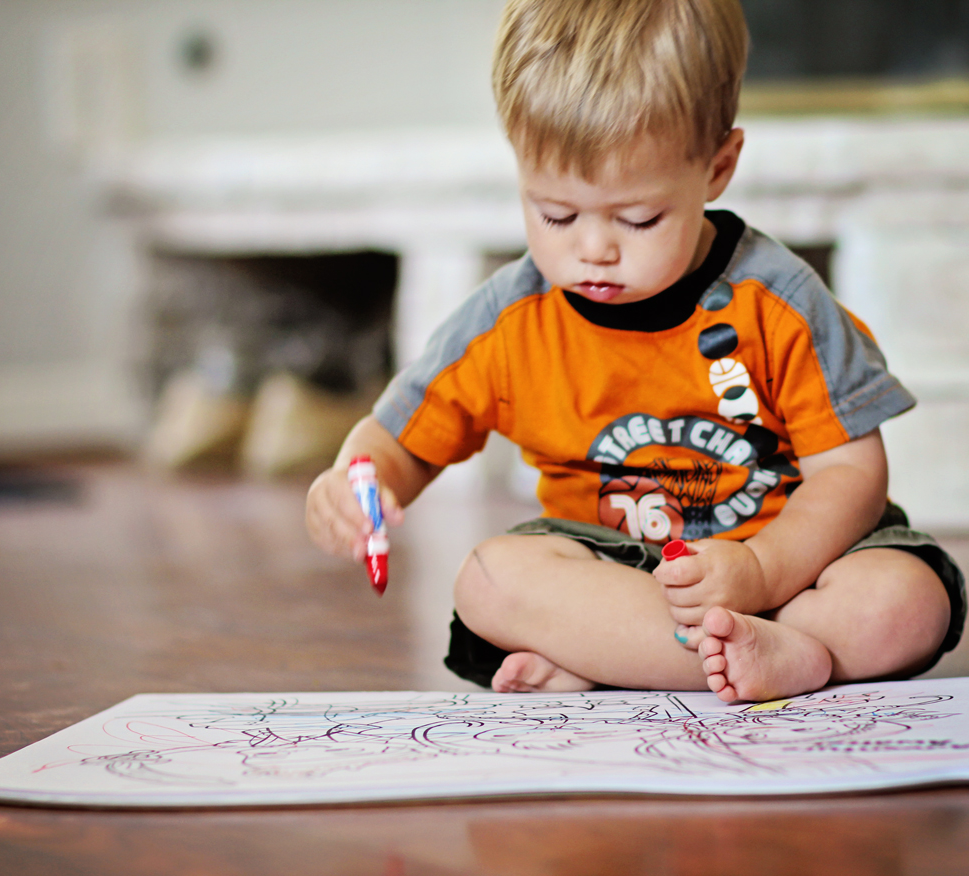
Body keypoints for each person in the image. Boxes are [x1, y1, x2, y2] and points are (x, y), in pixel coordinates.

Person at [306, 0, 965, 702]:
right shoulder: (508, 321)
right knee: (488, 582)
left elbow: (852, 473)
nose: (593, 248)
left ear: (718, 167)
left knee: (906, 601)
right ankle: (771, 657)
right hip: (616, 573)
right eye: (556, 213)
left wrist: (760, 572)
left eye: (639, 218)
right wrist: (356, 481)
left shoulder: (780, 303)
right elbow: (398, 439)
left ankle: (632, 659)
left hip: (792, 568)